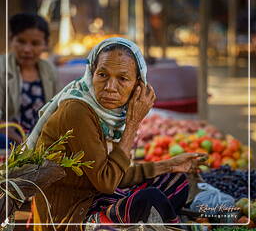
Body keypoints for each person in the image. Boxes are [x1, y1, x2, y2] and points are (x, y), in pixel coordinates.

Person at [28, 37, 207, 230]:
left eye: (122, 79)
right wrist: (133, 124)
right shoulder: (77, 110)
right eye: (102, 75)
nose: (110, 87)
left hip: (96, 195)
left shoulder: (108, 117)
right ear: (91, 73)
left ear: (138, 85)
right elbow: (107, 182)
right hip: (69, 215)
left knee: (176, 182)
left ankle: (152, 219)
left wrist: (169, 166)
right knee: (151, 199)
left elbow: (112, 175)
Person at [0, 13, 59, 146]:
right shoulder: (2, 69)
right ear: (11, 40)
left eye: (35, 43)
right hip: (10, 141)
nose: (27, 49)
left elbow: (58, 111)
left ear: (45, 44)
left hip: (43, 142)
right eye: (21, 41)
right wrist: (24, 143)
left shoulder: (49, 70)